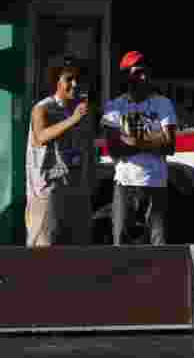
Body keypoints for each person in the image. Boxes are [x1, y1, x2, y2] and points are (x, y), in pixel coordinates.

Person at [101, 52, 177, 245]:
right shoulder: (115, 106)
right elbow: (114, 149)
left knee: (158, 243)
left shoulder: (163, 103)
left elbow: (169, 146)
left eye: (146, 72)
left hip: (156, 183)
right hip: (125, 183)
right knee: (121, 241)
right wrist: (154, 140)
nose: (144, 77)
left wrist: (133, 141)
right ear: (126, 75)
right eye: (138, 73)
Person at [25, 55, 97, 247]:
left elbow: (87, 147)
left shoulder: (82, 112)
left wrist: (90, 180)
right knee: (44, 251)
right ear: (56, 81)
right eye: (68, 79)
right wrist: (72, 120)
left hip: (77, 190)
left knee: (77, 251)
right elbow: (40, 137)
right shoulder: (43, 108)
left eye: (78, 80)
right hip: (48, 192)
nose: (75, 84)